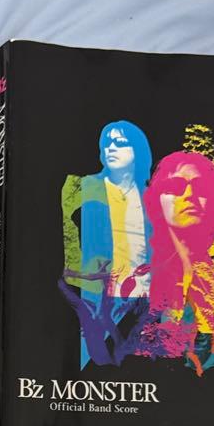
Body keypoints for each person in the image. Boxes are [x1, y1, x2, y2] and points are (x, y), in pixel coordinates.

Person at [139, 150, 214, 374]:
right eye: (175, 187)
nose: (189, 195)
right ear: (156, 200)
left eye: (201, 188)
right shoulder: (138, 274)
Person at [59, 121, 152, 368]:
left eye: (120, 143)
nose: (111, 147)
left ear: (138, 151)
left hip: (141, 297)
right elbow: (68, 239)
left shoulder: (151, 196)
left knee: (134, 372)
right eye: (107, 143)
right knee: (96, 366)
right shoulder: (83, 187)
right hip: (97, 295)